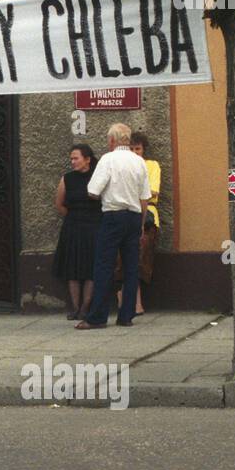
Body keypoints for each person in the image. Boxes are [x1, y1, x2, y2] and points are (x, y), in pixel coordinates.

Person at [77, 123, 151, 330]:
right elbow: (144, 197)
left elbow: (93, 191)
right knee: (130, 267)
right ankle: (126, 315)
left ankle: (97, 317)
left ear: (111, 140)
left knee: (104, 265)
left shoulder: (108, 160)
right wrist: (141, 225)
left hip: (112, 216)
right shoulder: (139, 162)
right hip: (134, 217)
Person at [53, 144, 101, 320]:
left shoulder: (98, 177)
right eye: (71, 158)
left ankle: (85, 307)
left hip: (94, 227)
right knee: (72, 268)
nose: (72, 162)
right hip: (73, 227)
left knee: (90, 268)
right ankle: (75, 307)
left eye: (76, 158)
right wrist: (74, 217)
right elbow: (59, 204)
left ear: (87, 159)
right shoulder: (67, 179)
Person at [117, 131, 162, 317]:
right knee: (121, 259)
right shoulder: (123, 165)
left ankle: (135, 301)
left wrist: (131, 193)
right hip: (126, 212)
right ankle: (126, 298)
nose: (135, 152)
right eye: (132, 149)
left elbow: (153, 192)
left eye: (138, 149)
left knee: (140, 259)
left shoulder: (151, 165)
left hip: (147, 216)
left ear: (143, 150)